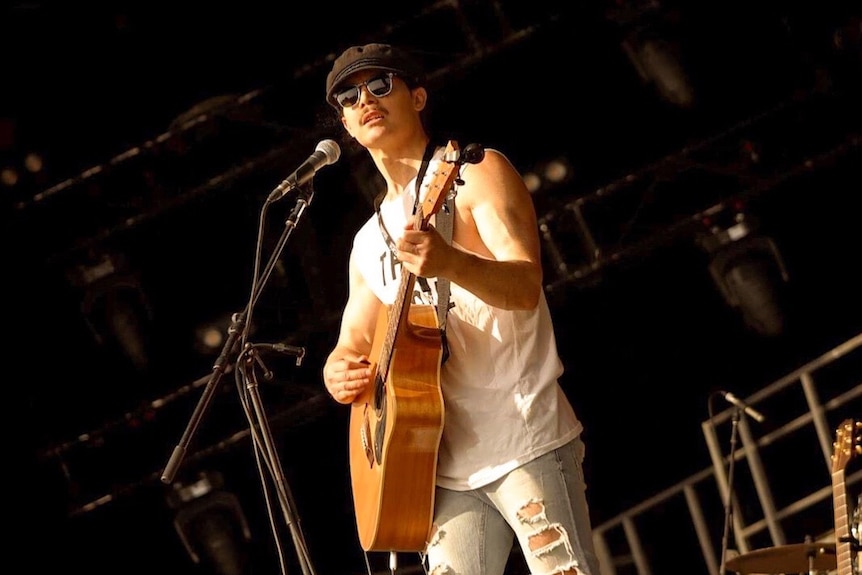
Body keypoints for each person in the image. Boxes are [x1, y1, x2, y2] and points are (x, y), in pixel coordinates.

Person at [320, 42, 600, 575]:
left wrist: (451, 262)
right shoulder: (365, 241)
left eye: (382, 85)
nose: (365, 100)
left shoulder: (474, 172)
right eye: (349, 96)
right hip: (435, 465)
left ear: (418, 96)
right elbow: (351, 344)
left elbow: (524, 286)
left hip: (524, 435)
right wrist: (338, 372)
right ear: (345, 126)